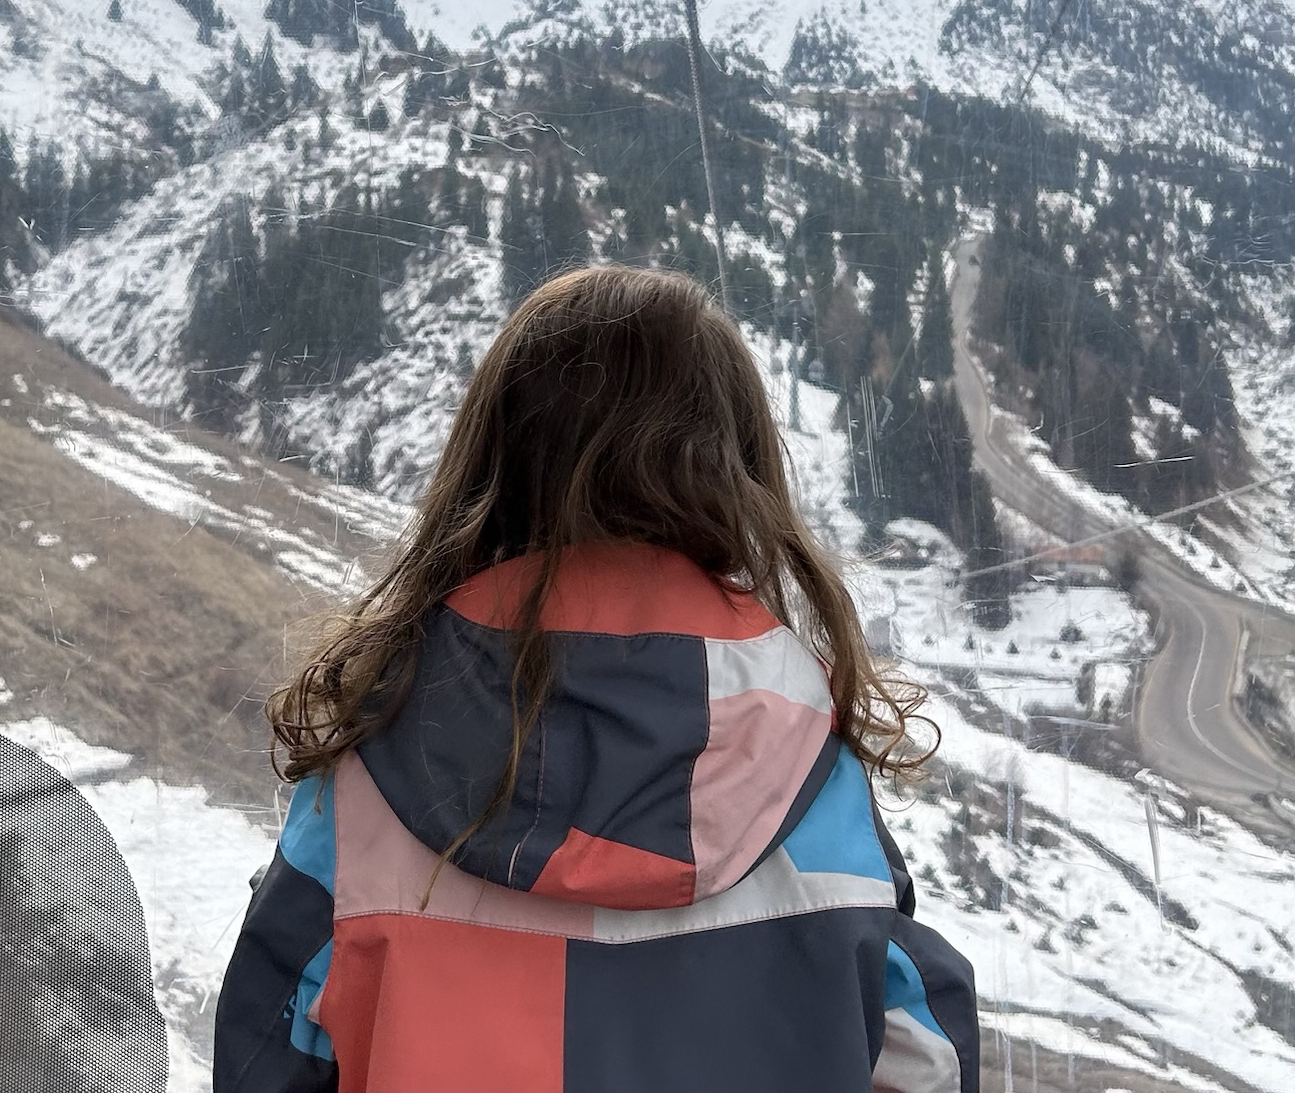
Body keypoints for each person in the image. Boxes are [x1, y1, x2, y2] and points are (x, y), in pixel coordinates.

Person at [214, 266, 977, 1093]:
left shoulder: (368, 781)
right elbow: (922, 1058)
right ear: (739, 474)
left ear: (493, 465)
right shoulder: (817, 781)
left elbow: (265, 1054)